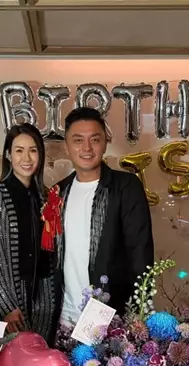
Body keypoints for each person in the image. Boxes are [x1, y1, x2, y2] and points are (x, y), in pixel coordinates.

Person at [56, 107, 154, 329]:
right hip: (63, 315)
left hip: (109, 315)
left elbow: (140, 252)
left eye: (95, 139)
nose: (87, 148)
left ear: (105, 142)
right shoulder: (58, 192)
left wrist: (140, 310)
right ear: (67, 146)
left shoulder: (125, 187)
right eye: (78, 140)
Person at [0, 123, 59, 344]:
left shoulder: (47, 198)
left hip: (45, 297)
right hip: (10, 299)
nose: (27, 158)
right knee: (12, 358)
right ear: (8, 155)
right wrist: (7, 305)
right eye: (19, 150)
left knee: (42, 355)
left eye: (33, 150)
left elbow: (54, 251)